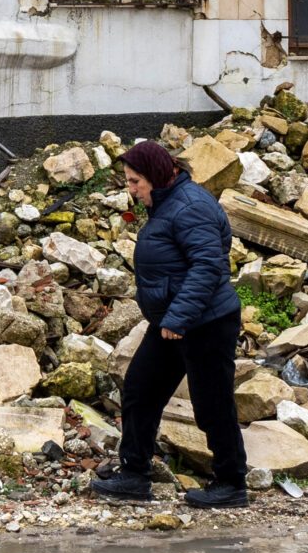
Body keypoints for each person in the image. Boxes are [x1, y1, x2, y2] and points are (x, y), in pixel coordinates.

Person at [95, 139, 248, 509]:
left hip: (206, 322)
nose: (130, 190)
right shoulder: (166, 203)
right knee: (140, 389)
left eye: (135, 182)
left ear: (156, 176)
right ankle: (134, 475)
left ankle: (231, 483)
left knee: (212, 403)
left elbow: (208, 267)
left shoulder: (191, 206)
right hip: (171, 323)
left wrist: (179, 317)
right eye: (128, 182)